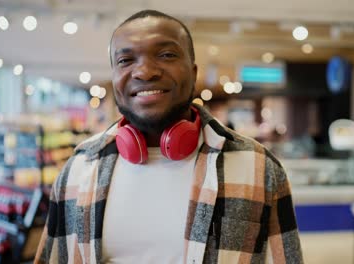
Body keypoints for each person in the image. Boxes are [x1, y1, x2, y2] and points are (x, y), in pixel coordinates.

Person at [35, 9, 303, 264]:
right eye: (126, 60)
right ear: (114, 77)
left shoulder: (258, 167)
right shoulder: (78, 170)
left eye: (166, 54)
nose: (145, 71)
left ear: (194, 72)